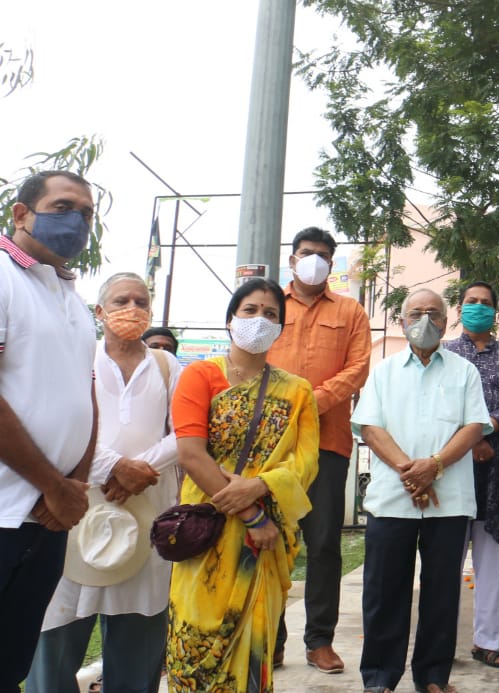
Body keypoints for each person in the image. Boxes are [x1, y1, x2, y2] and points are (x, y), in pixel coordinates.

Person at [26, 272, 182, 693]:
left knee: (140, 634)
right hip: (78, 510)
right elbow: (52, 423)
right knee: (60, 626)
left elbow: (186, 431)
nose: (131, 309)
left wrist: (139, 471)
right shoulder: (76, 358)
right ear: (99, 312)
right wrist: (113, 467)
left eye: (140, 300)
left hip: (147, 510)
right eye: (120, 301)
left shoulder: (167, 366)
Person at [166, 278, 319, 692]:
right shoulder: (199, 375)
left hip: (265, 540)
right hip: (207, 529)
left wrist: (260, 486)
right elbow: (191, 454)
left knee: (254, 642)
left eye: (271, 314)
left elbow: (305, 463)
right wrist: (250, 513)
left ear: (281, 328)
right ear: (231, 319)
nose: (259, 319)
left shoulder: (298, 391)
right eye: (250, 310)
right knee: (196, 634)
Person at [354, 288, 489, 693]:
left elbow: (473, 427)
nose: (424, 319)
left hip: (448, 500)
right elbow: (370, 428)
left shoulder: (465, 371)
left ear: (446, 323)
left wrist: (434, 466)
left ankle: (432, 676)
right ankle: (379, 677)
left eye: (433, 312)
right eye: (416, 312)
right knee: (384, 592)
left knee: (442, 593)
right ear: (401, 321)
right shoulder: (384, 370)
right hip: (392, 499)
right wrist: (410, 472)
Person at [0, 170, 97, 690]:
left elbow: (86, 396)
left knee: (12, 662)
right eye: (64, 207)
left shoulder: (72, 300)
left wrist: (73, 488)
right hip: (6, 511)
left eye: (86, 213)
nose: (77, 221)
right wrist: (53, 485)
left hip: (47, 518)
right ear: (21, 213)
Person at [268, 226, 371, 673]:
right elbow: (248, 356)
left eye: (324, 255)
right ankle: (268, 638)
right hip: (269, 446)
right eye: (307, 253)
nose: (315, 260)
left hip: (327, 443)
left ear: (332, 263)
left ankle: (319, 641)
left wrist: (310, 401)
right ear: (292, 259)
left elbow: (358, 367)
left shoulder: (350, 311)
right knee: (267, 540)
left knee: (324, 543)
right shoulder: (269, 306)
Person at [443, 281, 499, 670]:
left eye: (486, 303)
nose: (478, 307)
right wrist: (470, 441)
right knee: (446, 560)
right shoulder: (445, 353)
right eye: (471, 302)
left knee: (492, 560)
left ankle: (488, 641)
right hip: (453, 466)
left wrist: (488, 427)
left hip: (498, 470)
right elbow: (438, 403)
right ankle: (441, 643)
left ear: (495, 311)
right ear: (460, 307)